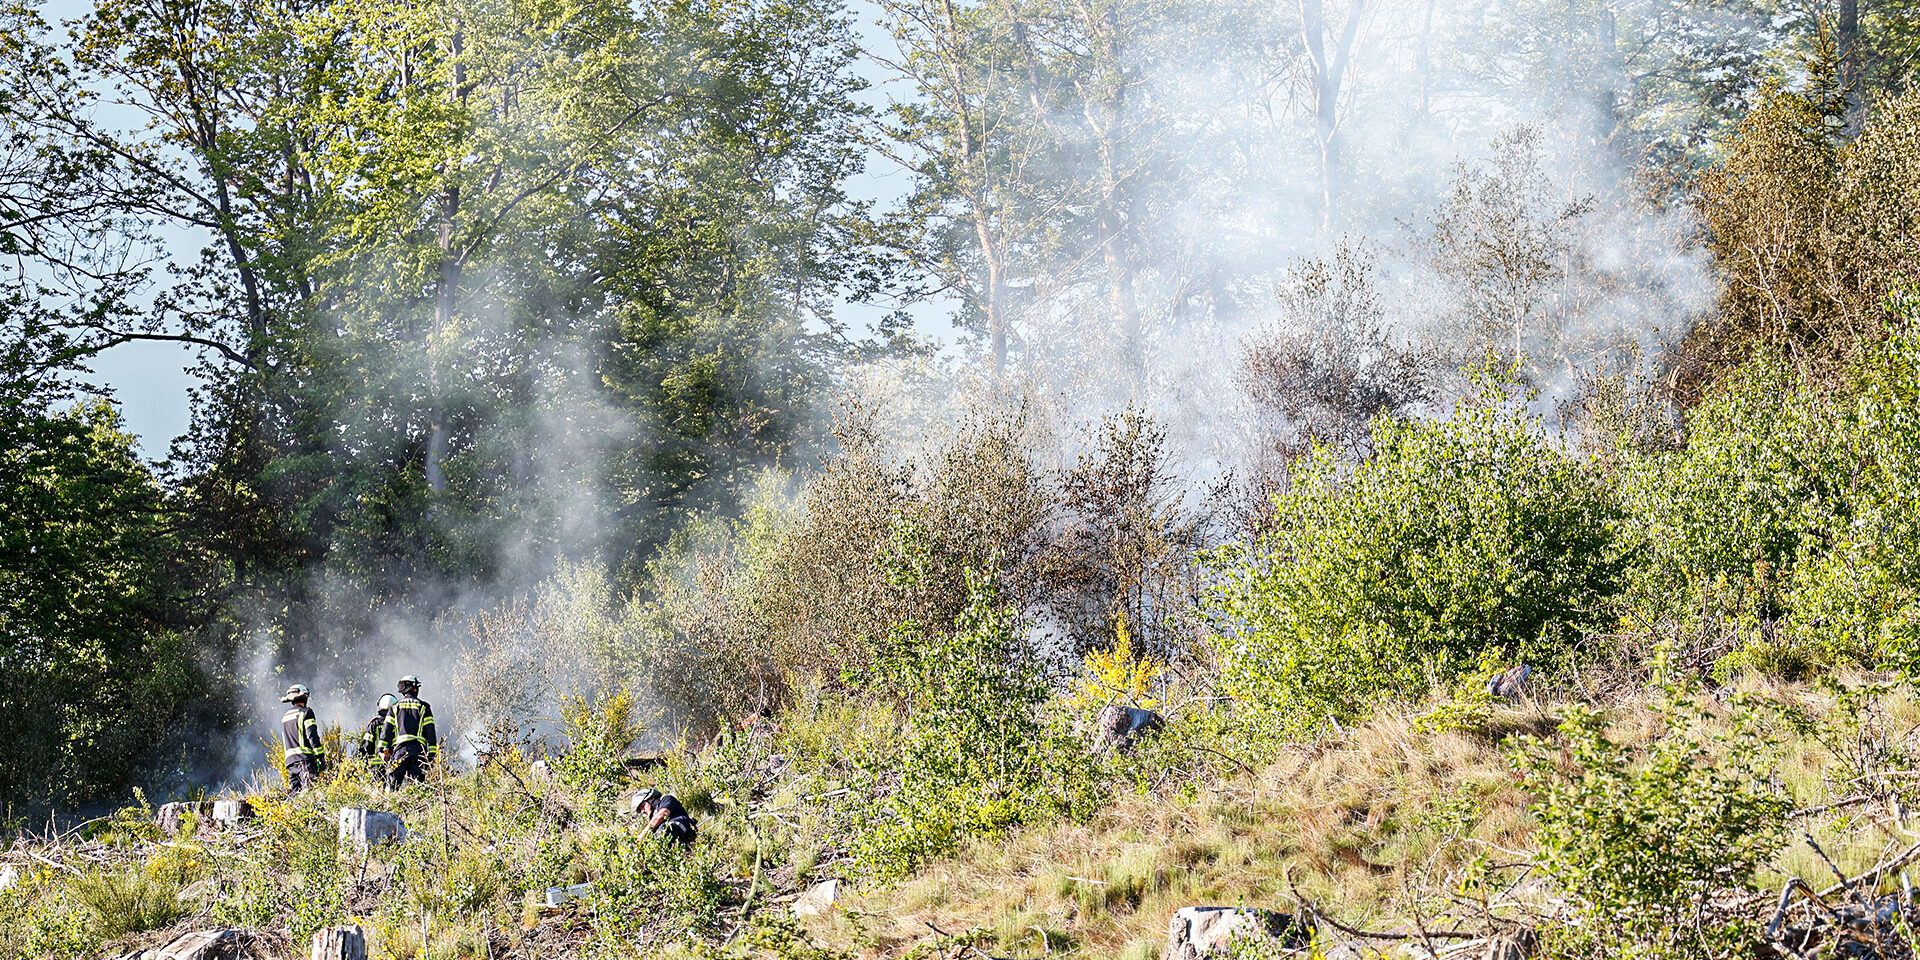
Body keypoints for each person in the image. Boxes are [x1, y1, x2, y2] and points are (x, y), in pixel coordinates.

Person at [377, 675, 438, 788]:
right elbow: (430, 732)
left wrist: (381, 750)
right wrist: (431, 754)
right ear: (413, 688)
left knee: (393, 784)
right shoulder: (424, 707)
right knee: (418, 786)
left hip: (400, 751)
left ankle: (390, 804)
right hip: (419, 751)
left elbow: (386, 731)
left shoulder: (395, 707)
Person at [279, 683, 326, 793]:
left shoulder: (285, 717)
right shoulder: (306, 713)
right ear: (304, 698)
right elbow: (312, 736)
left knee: (296, 796)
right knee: (310, 795)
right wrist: (320, 757)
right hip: (304, 761)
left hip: (290, 763)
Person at [631, 788, 698, 845]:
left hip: (683, 831)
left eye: (643, 806)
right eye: (640, 810)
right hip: (674, 844)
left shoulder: (667, 799)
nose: (643, 811)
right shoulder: (653, 816)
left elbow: (662, 815)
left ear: (651, 799)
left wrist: (642, 835)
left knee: (664, 829)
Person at [359, 693, 397, 774]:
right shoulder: (398, 724)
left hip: (376, 767)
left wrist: (362, 761)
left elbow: (366, 745)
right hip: (395, 765)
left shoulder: (374, 724)